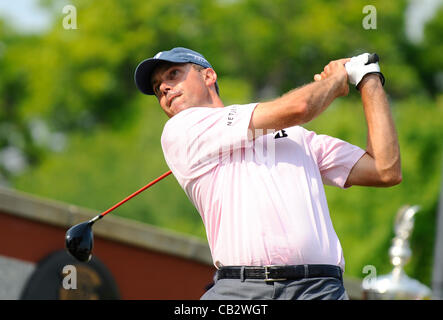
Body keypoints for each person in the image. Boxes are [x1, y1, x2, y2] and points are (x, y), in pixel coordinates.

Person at [134, 47, 401, 300]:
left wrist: (369, 79)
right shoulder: (181, 129)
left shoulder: (298, 137)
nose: (165, 88)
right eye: (158, 88)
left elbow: (385, 170)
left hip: (319, 289)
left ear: (208, 75)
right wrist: (336, 79)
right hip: (242, 290)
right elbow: (300, 108)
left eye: (173, 75)